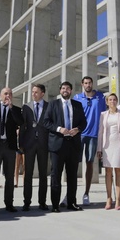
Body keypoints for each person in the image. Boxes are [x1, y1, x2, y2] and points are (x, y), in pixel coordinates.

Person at [42, 81, 87, 212]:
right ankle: (55, 204)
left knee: (72, 176)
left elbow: (84, 122)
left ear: (71, 90)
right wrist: (59, 128)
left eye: (67, 88)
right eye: (63, 88)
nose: (65, 90)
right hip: (57, 145)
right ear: (60, 90)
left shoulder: (77, 105)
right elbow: (46, 122)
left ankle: (71, 202)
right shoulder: (53, 104)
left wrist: (78, 129)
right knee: (56, 175)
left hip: (73, 145)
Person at [0, 87, 24, 212]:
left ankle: (9, 203)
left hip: (10, 147)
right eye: (6, 93)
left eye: (10, 94)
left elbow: (20, 122)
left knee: (9, 176)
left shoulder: (16, 110)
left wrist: (11, 108)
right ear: (0, 95)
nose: (8, 95)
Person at [72, 76, 106, 206]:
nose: (88, 85)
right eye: (86, 83)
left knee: (90, 163)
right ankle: (71, 193)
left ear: (92, 84)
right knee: (74, 163)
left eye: (90, 83)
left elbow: (104, 115)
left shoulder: (100, 97)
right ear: (82, 84)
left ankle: (86, 193)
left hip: (94, 135)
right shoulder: (77, 98)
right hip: (79, 134)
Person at [97, 93, 120, 210]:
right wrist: (99, 149)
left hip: (119, 145)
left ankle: (118, 199)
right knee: (108, 172)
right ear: (107, 102)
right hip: (107, 146)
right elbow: (100, 133)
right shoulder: (103, 115)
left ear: (116, 101)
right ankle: (108, 198)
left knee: (118, 171)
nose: (112, 101)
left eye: (114, 99)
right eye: (110, 100)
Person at [19, 84, 50, 211]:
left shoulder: (49, 106)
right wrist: (20, 144)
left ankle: (42, 202)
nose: (33, 94)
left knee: (43, 174)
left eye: (36, 92)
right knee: (28, 174)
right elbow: (22, 126)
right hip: (29, 144)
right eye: (32, 92)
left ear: (42, 93)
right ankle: (27, 201)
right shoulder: (26, 107)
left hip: (44, 144)